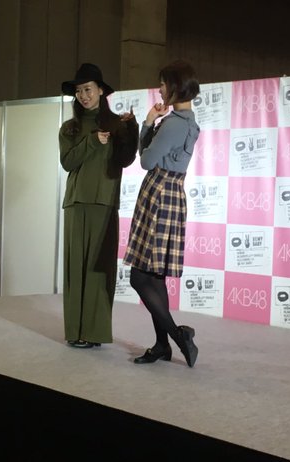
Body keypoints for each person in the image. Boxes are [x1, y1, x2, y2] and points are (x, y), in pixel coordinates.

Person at [122, 59, 201, 367]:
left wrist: (147, 123)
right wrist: (153, 122)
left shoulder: (174, 125)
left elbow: (145, 160)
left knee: (139, 277)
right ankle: (161, 345)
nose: (160, 89)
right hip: (170, 194)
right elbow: (150, 155)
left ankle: (179, 336)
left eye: (164, 84)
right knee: (154, 277)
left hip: (159, 193)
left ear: (176, 87)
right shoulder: (187, 121)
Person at [59, 63, 138, 348]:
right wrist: (92, 142)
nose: (83, 95)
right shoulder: (69, 128)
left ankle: (94, 332)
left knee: (99, 270)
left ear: (101, 90)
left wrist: (132, 128)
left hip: (105, 204)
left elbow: (126, 159)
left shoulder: (116, 124)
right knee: (75, 270)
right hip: (76, 203)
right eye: (79, 91)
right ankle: (75, 331)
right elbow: (68, 162)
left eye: (88, 89)